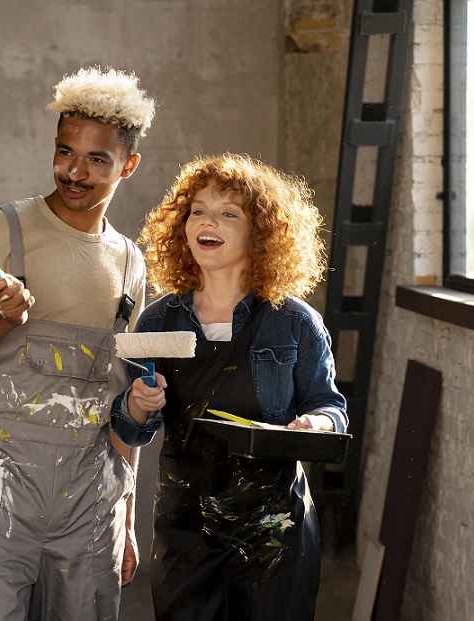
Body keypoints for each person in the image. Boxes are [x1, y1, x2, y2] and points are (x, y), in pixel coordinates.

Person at [0, 66, 158, 621]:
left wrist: (125, 513)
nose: (74, 172)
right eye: (64, 152)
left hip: (92, 500)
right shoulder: (0, 230)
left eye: (96, 159)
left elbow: (128, 398)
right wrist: (0, 319)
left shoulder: (130, 264)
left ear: (128, 165)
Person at [109, 153, 348, 621]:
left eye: (228, 213)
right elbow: (133, 430)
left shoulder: (294, 322)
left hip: (273, 525)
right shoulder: (159, 320)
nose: (207, 221)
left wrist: (315, 423)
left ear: (261, 233)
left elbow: (329, 405)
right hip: (186, 525)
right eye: (197, 210)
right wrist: (138, 403)